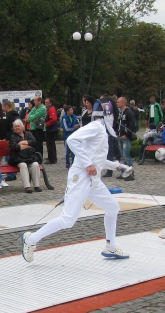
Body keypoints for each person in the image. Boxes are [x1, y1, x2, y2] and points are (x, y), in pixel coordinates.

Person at [21, 112, 132, 263]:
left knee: (113, 208)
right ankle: (31, 239)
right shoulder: (97, 127)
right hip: (80, 177)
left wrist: (117, 166)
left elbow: (97, 159)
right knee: (68, 220)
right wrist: (88, 164)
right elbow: (72, 140)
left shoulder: (102, 132)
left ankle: (111, 246)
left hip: (93, 179)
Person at [9, 120, 41, 193]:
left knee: (35, 164)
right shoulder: (13, 137)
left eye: (18, 126)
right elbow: (15, 147)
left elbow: (34, 142)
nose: (17, 128)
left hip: (30, 157)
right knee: (23, 165)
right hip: (18, 158)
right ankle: (27, 187)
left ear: (22, 127)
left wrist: (23, 143)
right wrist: (28, 146)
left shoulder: (28, 134)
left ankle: (37, 185)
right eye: (15, 127)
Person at [116, 96, 136, 180]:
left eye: (118, 102)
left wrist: (127, 135)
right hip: (120, 136)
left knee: (126, 155)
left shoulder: (129, 112)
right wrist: (117, 133)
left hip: (125, 137)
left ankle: (130, 172)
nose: (117, 103)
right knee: (122, 156)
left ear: (123, 103)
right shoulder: (120, 112)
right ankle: (124, 171)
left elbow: (132, 125)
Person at [43, 98, 59, 164]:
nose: (45, 104)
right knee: (50, 144)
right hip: (50, 129)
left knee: (50, 144)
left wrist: (46, 124)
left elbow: (53, 119)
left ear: (50, 103)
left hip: (51, 129)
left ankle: (52, 159)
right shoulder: (49, 109)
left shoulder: (51, 109)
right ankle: (51, 157)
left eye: (46, 102)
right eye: (45, 102)